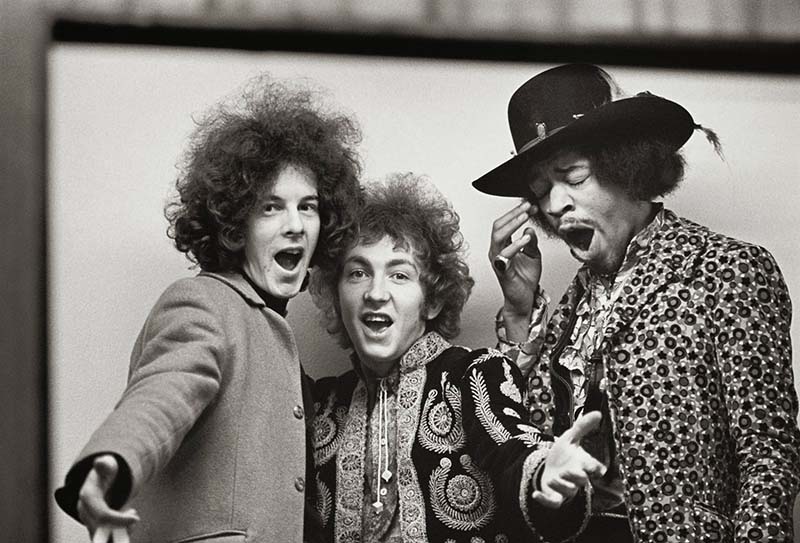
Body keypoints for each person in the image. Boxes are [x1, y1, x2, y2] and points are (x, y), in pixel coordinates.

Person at [472, 63, 800, 542]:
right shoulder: (569, 311)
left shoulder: (727, 269)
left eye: (573, 176)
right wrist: (520, 313)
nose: (555, 205)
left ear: (626, 167)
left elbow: (768, 452)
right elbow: (517, 450)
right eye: (541, 190)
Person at [54, 76, 362, 543]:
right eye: (271, 207)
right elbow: (164, 393)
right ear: (235, 226)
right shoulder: (203, 304)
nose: (296, 225)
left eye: (308, 207)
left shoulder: (272, 334)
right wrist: (111, 463)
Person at [308, 173, 607, 543]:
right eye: (357, 273)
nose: (376, 293)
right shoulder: (321, 405)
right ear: (337, 296)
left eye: (399, 275)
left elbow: (510, 450)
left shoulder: (473, 374)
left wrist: (546, 474)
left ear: (432, 300)